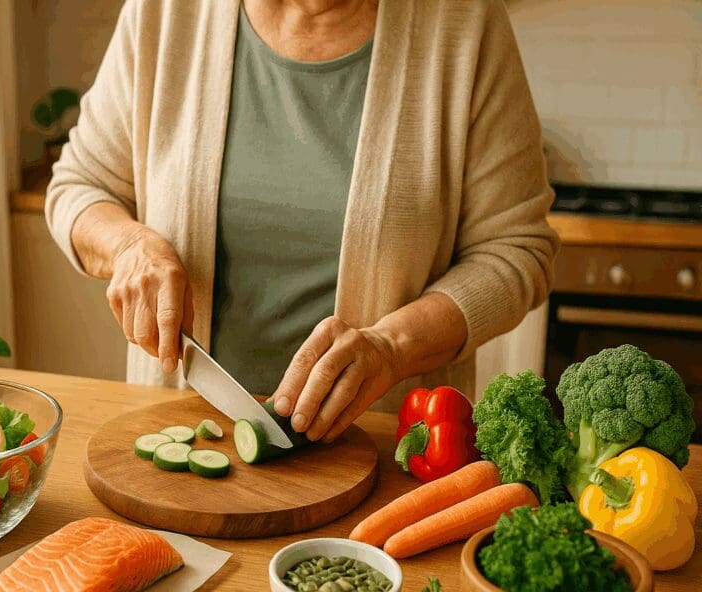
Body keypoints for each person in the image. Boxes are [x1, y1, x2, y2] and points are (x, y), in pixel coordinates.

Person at [45, 0, 558, 444]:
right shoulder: (165, 13)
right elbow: (80, 185)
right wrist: (129, 246)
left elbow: (515, 249)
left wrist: (391, 347)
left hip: (388, 456)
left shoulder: (465, 25)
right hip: (176, 442)